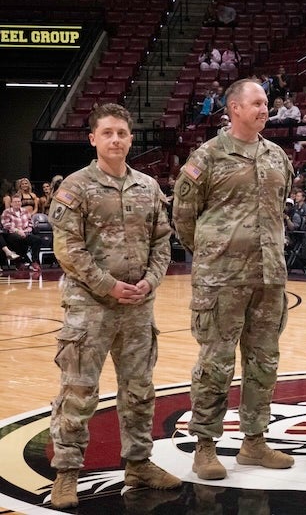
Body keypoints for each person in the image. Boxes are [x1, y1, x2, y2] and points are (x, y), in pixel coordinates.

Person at [46, 104, 180, 509]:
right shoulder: (76, 187)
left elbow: (162, 241)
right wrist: (108, 285)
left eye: (122, 132)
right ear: (93, 139)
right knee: (79, 391)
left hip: (139, 307)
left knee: (139, 390)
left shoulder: (148, 186)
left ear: (130, 137)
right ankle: (67, 472)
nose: (116, 140)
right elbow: (66, 248)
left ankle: (139, 463)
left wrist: (150, 281)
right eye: (107, 133)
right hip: (90, 307)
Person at [173, 79, 295, 480]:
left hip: (269, 277)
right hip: (222, 279)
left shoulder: (278, 157)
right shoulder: (206, 157)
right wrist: (216, 251)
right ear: (234, 109)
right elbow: (184, 219)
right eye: (257, 103)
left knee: (264, 362)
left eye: (266, 103)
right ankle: (205, 446)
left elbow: (280, 208)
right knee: (216, 363)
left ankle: (254, 442)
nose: (265, 108)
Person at [0, 195, 43, 272]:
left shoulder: (25, 211)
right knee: (18, 238)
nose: (17, 203)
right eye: (15, 202)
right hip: (11, 233)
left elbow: (30, 224)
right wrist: (18, 231)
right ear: (11, 204)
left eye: (19, 201)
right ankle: (19, 261)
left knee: (37, 240)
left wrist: (25, 232)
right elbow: (6, 225)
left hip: (25, 232)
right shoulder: (7, 212)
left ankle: (34, 261)